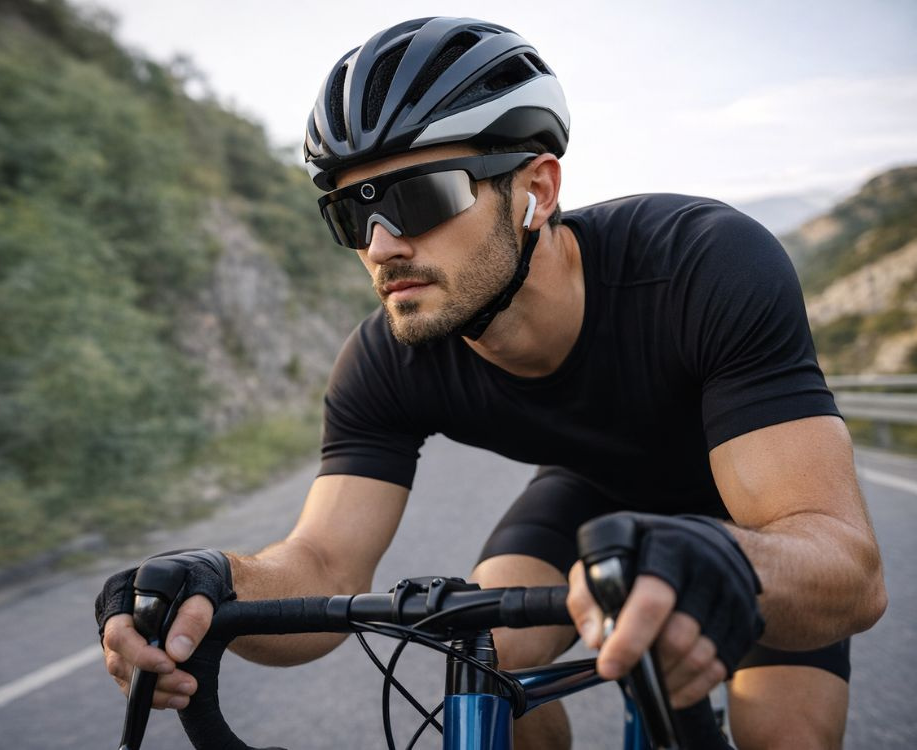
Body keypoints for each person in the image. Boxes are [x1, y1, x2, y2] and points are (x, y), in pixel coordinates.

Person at [98, 17, 886, 749]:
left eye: (418, 198)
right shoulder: (386, 359)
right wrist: (208, 583)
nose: (381, 247)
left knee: (782, 734)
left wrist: (725, 561)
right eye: (351, 215)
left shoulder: (701, 265)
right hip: (589, 498)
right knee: (483, 659)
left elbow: (849, 573)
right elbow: (323, 567)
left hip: (750, 521)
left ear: (536, 190)